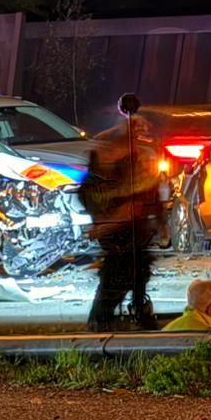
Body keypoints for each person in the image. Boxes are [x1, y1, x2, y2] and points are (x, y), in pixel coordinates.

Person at [82, 111, 162, 331]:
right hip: (116, 228)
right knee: (118, 273)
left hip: (132, 227)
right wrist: (115, 216)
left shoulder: (133, 156)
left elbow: (147, 191)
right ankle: (102, 319)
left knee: (138, 269)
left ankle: (136, 312)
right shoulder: (107, 159)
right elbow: (96, 198)